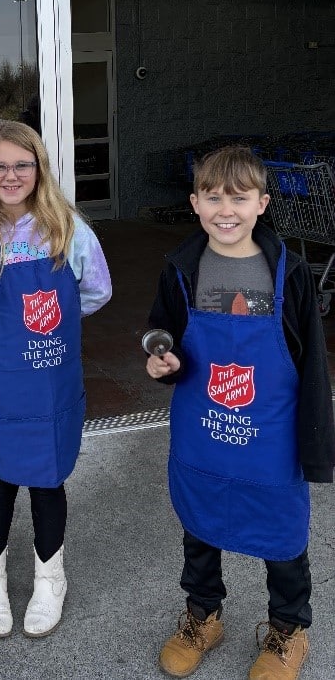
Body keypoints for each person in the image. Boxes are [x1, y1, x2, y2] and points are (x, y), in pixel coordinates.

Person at [144, 145, 335, 680]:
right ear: (195, 203)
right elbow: (161, 329)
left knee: (282, 533)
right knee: (200, 522)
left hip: (271, 435)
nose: (225, 210)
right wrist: (163, 358)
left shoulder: (289, 274)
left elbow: (312, 364)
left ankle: (288, 628)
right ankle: (203, 616)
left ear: (262, 204)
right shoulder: (183, 268)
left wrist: (317, 446)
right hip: (204, 429)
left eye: (239, 197)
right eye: (213, 197)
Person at [0, 120, 112, 638]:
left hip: (52, 379)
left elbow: (97, 291)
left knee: (48, 478)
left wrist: (51, 326)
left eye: (22, 165)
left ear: (38, 169)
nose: (10, 176)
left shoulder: (68, 228)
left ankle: (48, 578)